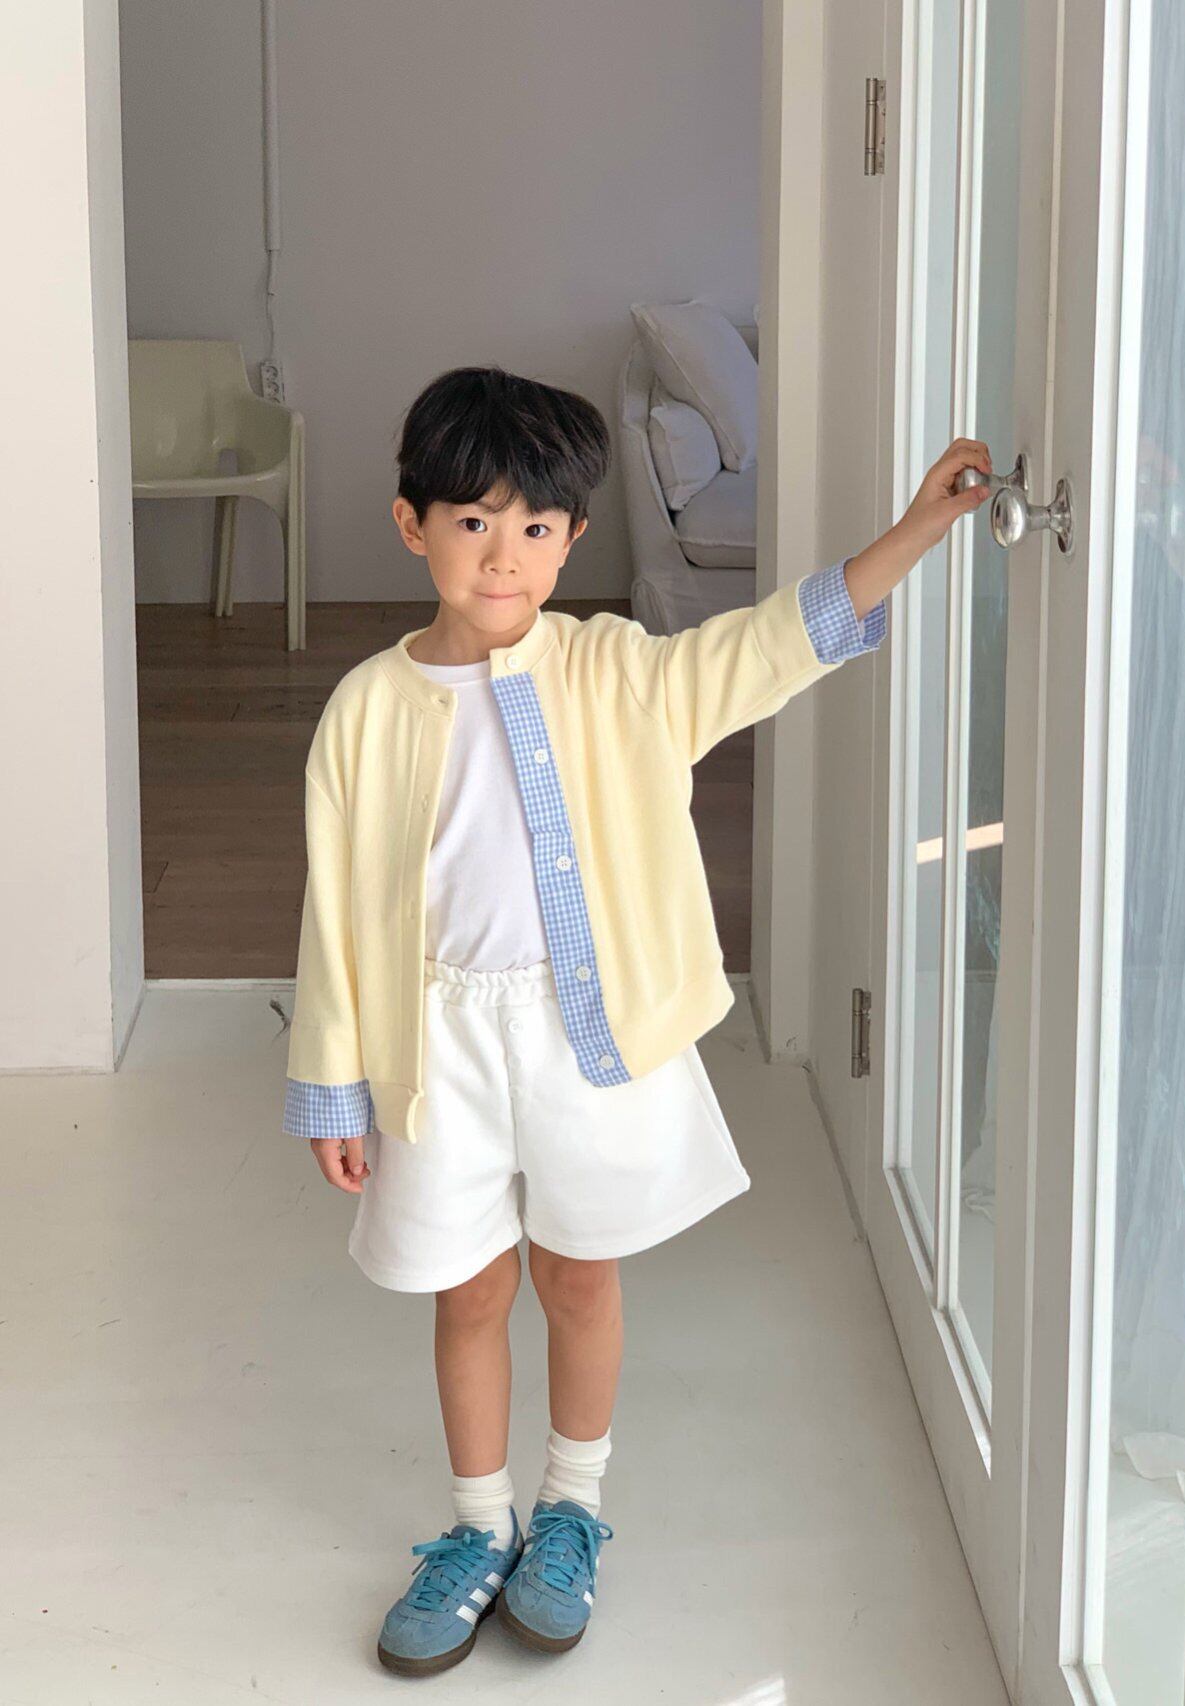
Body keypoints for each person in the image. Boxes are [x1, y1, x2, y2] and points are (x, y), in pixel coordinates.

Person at [281, 361, 992, 1675]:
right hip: (436, 1047)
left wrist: (913, 530)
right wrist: (333, 1083)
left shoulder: (618, 672)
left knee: (579, 1273)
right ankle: (477, 1526)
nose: (504, 555)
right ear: (411, 524)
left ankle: (571, 1509)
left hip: (587, 1038)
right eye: (473, 520)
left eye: (535, 525)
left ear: (572, 538)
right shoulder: (366, 710)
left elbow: (768, 647)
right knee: (469, 1286)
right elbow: (333, 912)